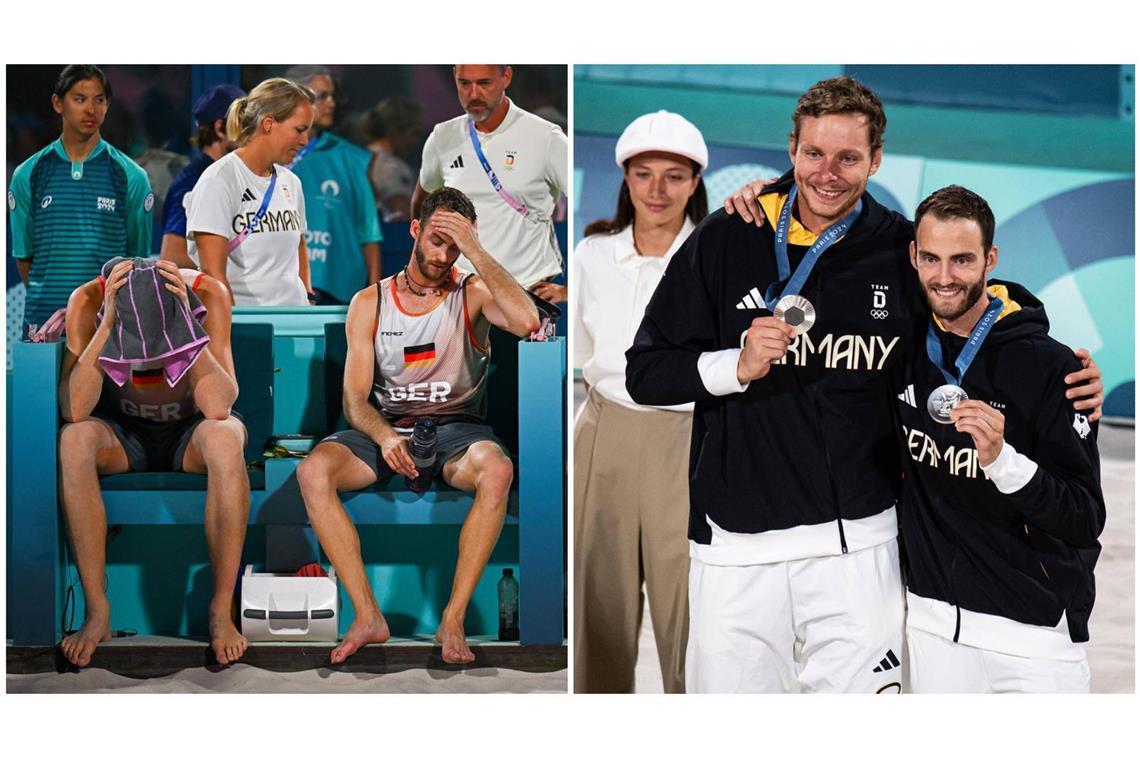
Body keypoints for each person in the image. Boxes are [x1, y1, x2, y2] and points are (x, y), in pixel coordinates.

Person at [625, 76, 1103, 693]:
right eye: (814, 154)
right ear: (791, 150)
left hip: (860, 550)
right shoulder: (726, 237)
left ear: (876, 160)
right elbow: (645, 373)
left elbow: (967, 305)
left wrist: (1058, 361)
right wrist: (732, 368)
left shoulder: (899, 251)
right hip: (736, 551)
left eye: (849, 157)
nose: (829, 173)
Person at [296, 187, 540, 665]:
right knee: (311, 472)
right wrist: (384, 436)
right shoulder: (370, 301)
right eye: (436, 238)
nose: (442, 253)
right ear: (414, 230)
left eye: (454, 244)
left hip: (457, 430)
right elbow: (353, 400)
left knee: (497, 472)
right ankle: (367, 615)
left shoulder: (472, 293)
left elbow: (528, 320)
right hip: (385, 428)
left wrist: (475, 250)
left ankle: (452, 618)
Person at [895, 185, 1104, 692]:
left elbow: (1083, 517)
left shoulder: (1051, 368)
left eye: (962, 260)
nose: (945, 277)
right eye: (932, 259)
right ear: (913, 257)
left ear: (991, 259)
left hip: (1033, 641)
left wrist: (1003, 461)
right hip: (932, 630)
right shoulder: (902, 345)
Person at [573, 111, 709, 693]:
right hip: (605, 432)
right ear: (626, 178)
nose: (658, 190)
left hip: (686, 435)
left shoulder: (713, 260)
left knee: (687, 601)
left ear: (696, 183)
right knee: (599, 599)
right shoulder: (592, 255)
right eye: (644, 174)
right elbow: (583, 353)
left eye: (674, 176)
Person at [56, 258, 249, 668]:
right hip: (126, 435)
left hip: (191, 430)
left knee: (226, 438)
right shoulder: (88, 301)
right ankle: (97, 610)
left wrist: (182, 327)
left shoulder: (209, 295)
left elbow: (218, 407)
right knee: (73, 440)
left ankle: (219, 608)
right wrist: (107, 326)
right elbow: (74, 408)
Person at [8, 64, 154, 330]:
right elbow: (24, 256)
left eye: (99, 100)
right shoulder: (27, 174)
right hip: (43, 321)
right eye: (80, 99)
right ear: (57, 103)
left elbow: (136, 261)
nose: (91, 109)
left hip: (108, 324)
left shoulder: (132, 176)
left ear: (108, 105)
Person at [412, 65, 568, 302]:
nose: (473, 94)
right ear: (455, 77)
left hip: (527, 293)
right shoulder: (443, 136)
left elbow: (590, 203)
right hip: (459, 296)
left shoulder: (546, 137)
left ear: (506, 77)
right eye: (465, 83)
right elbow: (422, 205)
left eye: (484, 83)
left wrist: (570, 290)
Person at [185, 77, 314, 306]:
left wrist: (308, 300)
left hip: (297, 325)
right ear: (268, 123)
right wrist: (237, 329)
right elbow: (213, 275)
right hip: (250, 328)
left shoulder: (291, 182)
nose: (305, 141)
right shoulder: (218, 181)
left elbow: (299, 249)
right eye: (299, 130)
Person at [283, 65, 383, 305]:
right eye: (322, 96)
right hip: (283, 286)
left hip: (338, 291)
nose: (331, 103)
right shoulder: (269, 154)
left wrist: (376, 298)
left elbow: (368, 233)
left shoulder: (351, 159)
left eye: (332, 96)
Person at [159, 83, 245, 269]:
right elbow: (172, 256)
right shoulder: (193, 181)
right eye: (242, 123)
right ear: (220, 128)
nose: (248, 132)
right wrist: (227, 265)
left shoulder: (234, 174)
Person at [362, 95, 425, 222]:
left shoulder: (353, 157)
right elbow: (399, 212)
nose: (416, 141)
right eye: (414, 133)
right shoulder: (392, 167)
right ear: (394, 132)